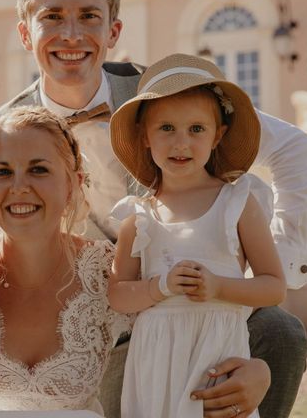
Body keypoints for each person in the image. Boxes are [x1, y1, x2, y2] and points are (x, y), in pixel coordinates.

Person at [0, 0, 307, 417]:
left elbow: (295, 150)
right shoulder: (3, 130)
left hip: (197, 294)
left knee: (280, 334)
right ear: (24, 33)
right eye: (52, 17)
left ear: (114, 31)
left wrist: (276, 266)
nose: (71, 34)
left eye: (89, 16)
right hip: (94, 314)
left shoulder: (168, 96)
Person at [108, 53, 287, 417]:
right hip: (155, 363)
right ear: (144, 135)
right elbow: (118, 294)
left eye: (196, 129)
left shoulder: (236, 202)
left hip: (215, 359)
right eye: (166, 128)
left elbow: (273, 286)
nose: (181, 143)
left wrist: (219, 287)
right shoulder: (139, 215)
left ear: (217, 135)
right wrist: (160, 287)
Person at [0, 106, 131, 416]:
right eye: (2, 171)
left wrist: (253, 372)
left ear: (73, 183)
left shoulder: (106, 270)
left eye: (38, 169)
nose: (19, 187)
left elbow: (188, 324)